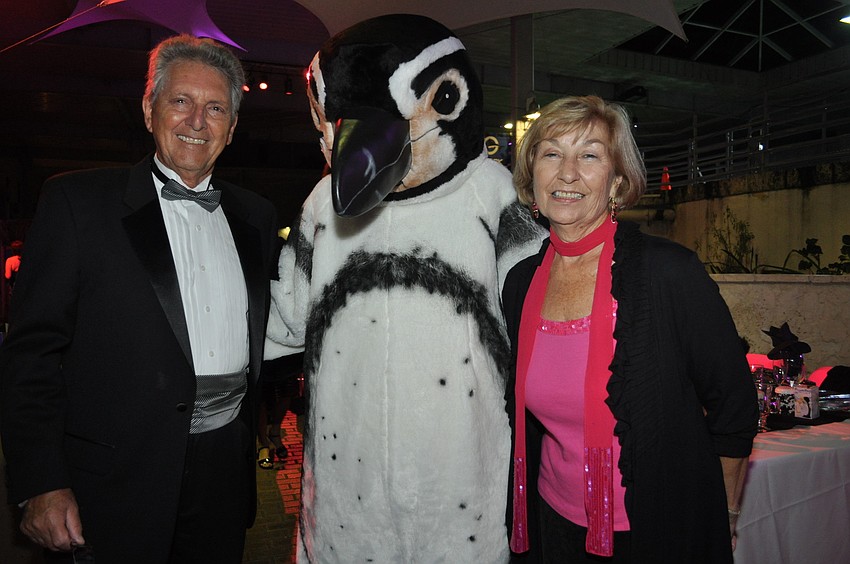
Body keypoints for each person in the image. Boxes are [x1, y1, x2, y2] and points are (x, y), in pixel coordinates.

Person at [0, 34, 277, 563]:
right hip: (113, 480)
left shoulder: (257, 217)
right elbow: (31, 355)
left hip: (223, 476)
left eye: (215, 107)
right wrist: (41, 482)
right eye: (181, 101)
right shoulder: (77, 203)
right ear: (149, 109)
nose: (198, 120)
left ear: (233, 126)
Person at [502, 96, 758, 563]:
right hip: (549, 522)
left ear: (617, 181)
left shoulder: (669, 273)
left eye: (590, 155)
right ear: (531, 173)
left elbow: (734, 408)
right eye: (552, 153)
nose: (567, 173)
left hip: (654, 529)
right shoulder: (520, 282)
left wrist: (724, 514)